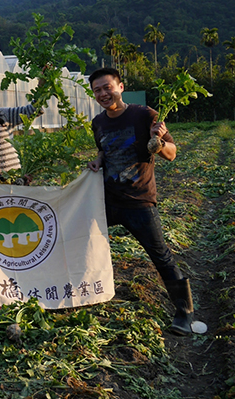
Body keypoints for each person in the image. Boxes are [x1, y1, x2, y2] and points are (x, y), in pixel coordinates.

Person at [87, 67, 205, 336]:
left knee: (160, 255)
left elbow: (172, 154)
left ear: (120, 86)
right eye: (97, 90)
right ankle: (86, 293)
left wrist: (159, 143)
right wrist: (98, 160)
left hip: (139, 201)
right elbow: (104, 149)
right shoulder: (98, 122)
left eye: (108, 87)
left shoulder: (144, 114)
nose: (104, 93)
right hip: (106, 200)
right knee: (85, 242)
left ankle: (185, 313)